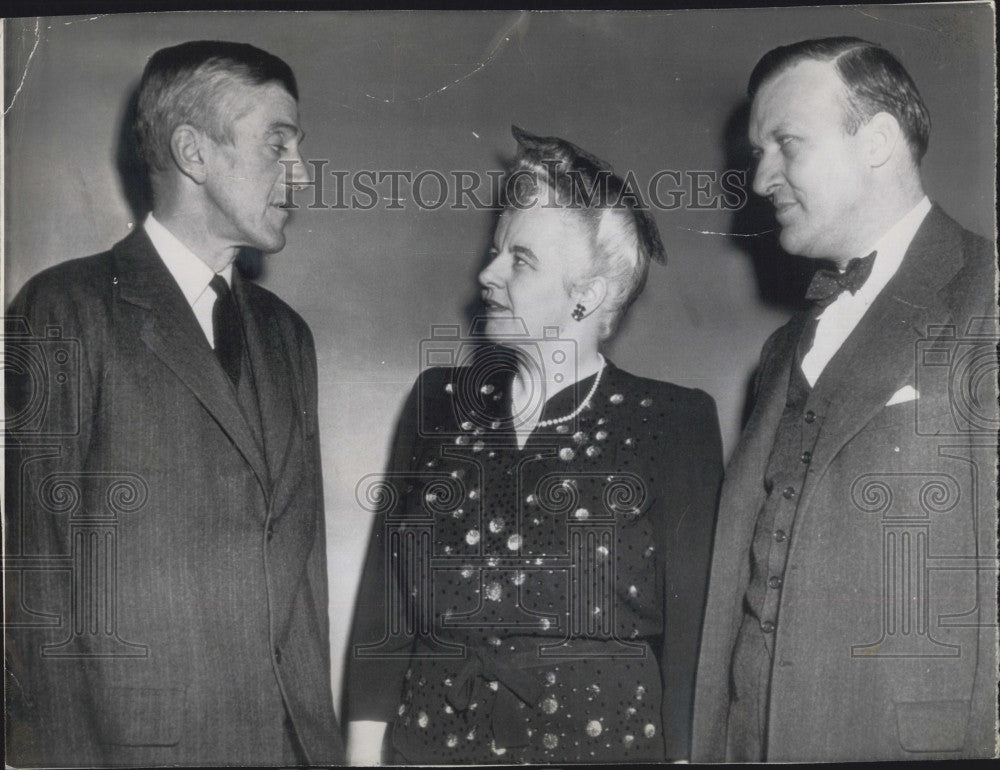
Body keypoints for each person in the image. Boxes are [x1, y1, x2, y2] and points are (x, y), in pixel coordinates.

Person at [4, 41, 344, 766]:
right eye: (276, 145)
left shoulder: (290, 338)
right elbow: (41, 587)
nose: (301, 174)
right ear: (193, 152)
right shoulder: (65, 310)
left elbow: (303, 590)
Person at [345, 126, 723, 764]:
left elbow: (694, 640)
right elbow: (386, 601)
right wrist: (360, 755)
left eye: (520, 259)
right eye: (496, 252)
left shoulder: (674, 421)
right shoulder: (439, 401)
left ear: (587, 298)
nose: (487, 275)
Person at [692, 37, 997, 762]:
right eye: (755, 151)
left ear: (878, 142)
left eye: (785, 143)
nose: (761, 177)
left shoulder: (987, 290)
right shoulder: (780, 353)